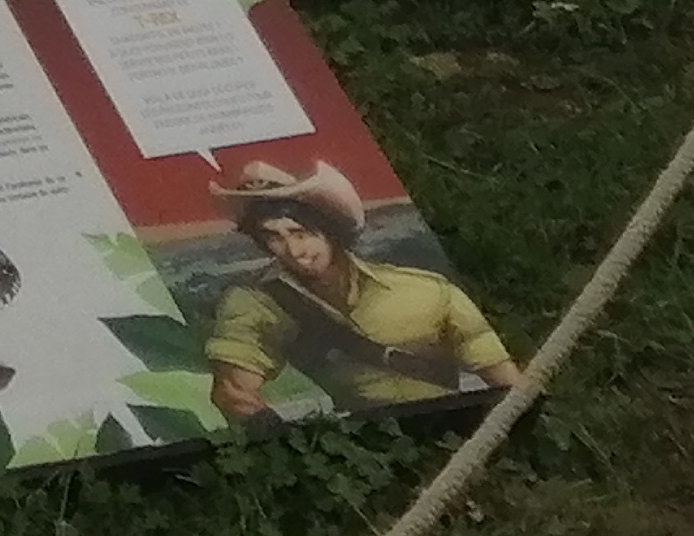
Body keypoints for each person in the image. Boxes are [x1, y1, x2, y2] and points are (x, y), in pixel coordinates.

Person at [196, 160, 517, 420]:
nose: (293, 250)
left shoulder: (427, 290)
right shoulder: (256, 303)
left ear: (329, 230)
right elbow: (233, 394)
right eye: (274, 238)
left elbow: (508, 383)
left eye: (301, 232)